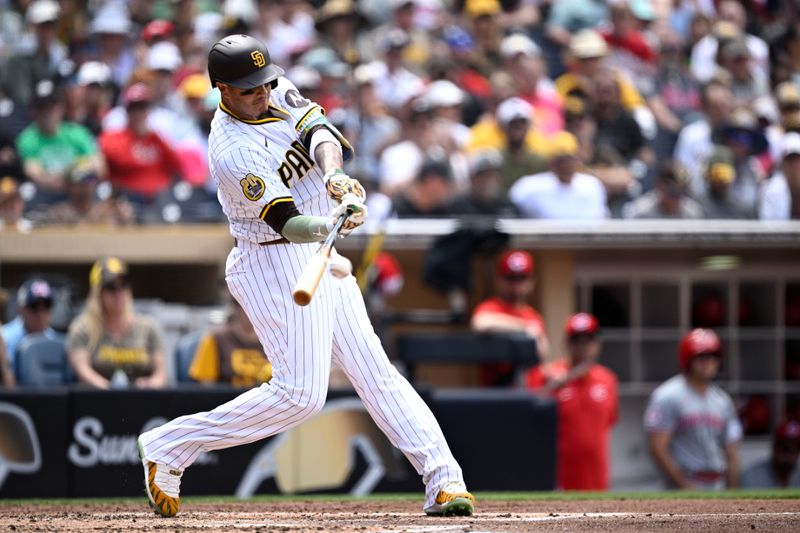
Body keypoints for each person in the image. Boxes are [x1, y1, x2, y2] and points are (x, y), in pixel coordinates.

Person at [137, 34, 473, 519]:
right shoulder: (231, 150)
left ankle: (444, 481)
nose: (262, 93)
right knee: (300, 395)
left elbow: (321, 133)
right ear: (221, 90)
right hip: (272, 259)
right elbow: (288, 222)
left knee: (375, 372)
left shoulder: (273, 87)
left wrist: (334, 180)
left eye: (264, 83)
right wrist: (332, 221)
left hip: (319, 252)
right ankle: (169, 445)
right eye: (249, 88)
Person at [525, 313, 618, 490]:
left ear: (597, 343)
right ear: (567, 343)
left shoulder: (608, 379)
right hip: (558, 474)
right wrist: (559, 383)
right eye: (576, 340)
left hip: (596, 473)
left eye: (588, 339)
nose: (583, 346)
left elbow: (609, 422)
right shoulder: (549, 375)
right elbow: (530, 413)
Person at [644, 328, 742, 490]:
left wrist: (732, 491)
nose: (707, 362)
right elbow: (657, 448)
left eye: (712, 356)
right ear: (687, 359)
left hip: (718, 482)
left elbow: (731, 451)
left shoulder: (723, 400)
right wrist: (684, 484)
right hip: (685, 482)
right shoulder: (667, 395)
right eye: (700, 357)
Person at [66, 257, 168, 390]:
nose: (118, 293)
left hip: (143, 401)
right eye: (111, 287)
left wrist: (150, 384)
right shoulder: (82, 328)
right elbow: (83, 372)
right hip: (98, 401)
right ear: (98, 293)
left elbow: (161, 375)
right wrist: (112, 392)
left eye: (123, 285)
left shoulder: (148, 327)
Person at [471, 250, 549, 386]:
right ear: (499, 280)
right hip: (501, 395)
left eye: (522, 278)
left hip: (530, 392)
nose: (516, 285)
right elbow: (481, 323)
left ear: (531, 281)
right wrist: (524, 328)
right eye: (511, 278)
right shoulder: (491, 307)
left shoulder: (533, 315)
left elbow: (543, 354)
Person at [509, 131, 608, 220]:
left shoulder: (592, 185)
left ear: (578, 161)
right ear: (551, 163)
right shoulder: (529, 187)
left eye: (570, 160)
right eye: (561, 161)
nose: (566, 166)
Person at [189, 299, 273, 388]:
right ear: (236, 307)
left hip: (265, 400)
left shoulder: (274, 339)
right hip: (227, 399)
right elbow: (206, 386)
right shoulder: (215, 338)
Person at [1, 278, 58, 374]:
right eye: (34, 307)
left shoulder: (53, 339)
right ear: (20, 309)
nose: (41, 315)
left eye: (46, 307)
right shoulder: (4, 337)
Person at [622, 160, 704, 219]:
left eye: (683, 191)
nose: (678, 198)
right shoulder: (641, 212)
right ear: (660, 186)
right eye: (673, 191)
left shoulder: (692, 213)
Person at [740, 420, 800, 488]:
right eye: (784, 447)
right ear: (775, 446)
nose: (789, 453)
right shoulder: (751, 477)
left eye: (795, 448)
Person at [760, 132, 800, 220]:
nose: (794, 165)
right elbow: (770, 228)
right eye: (789, 159)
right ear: (782, 162)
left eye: (797, 159)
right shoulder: (770, 190)